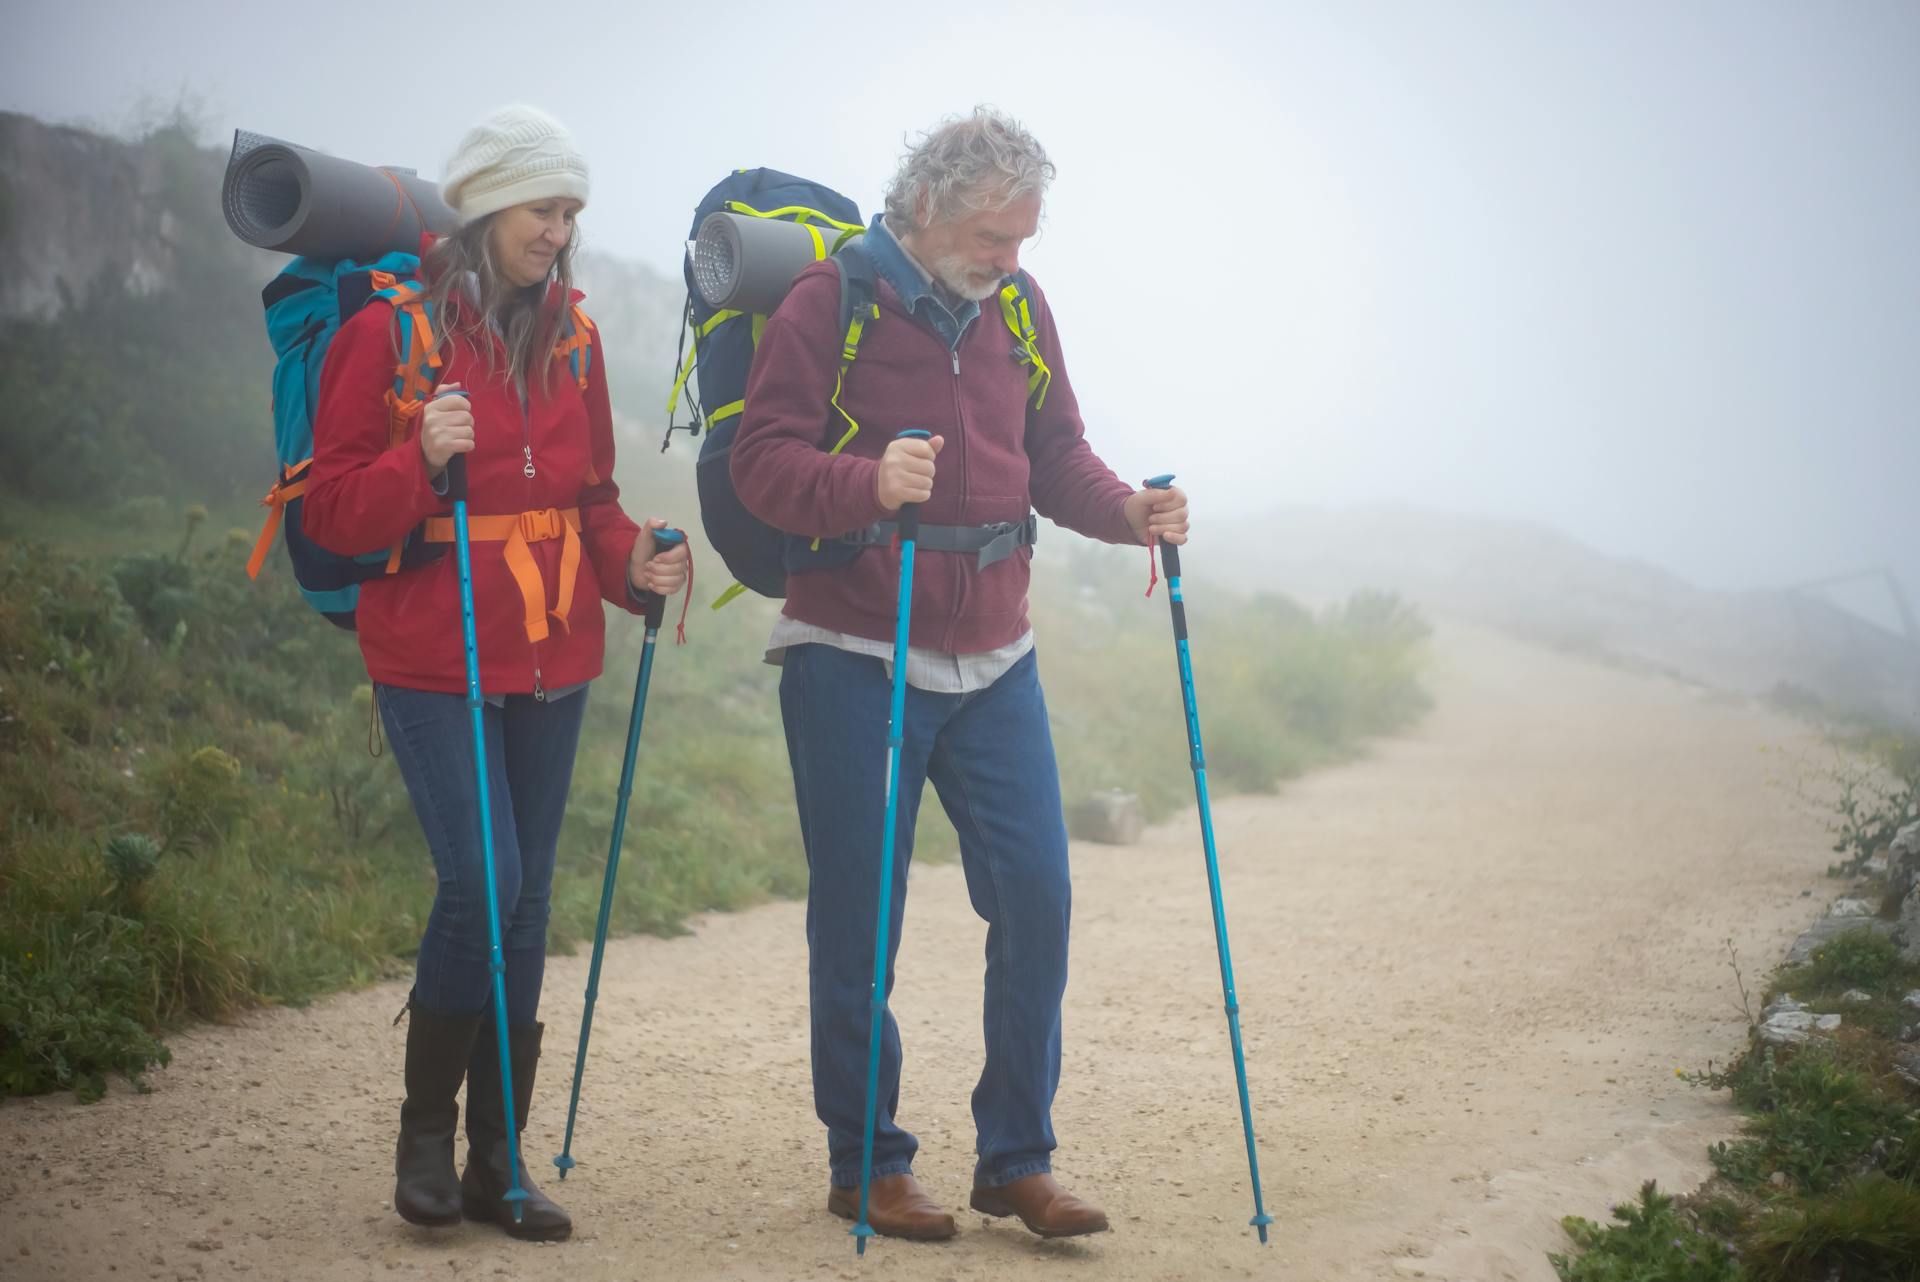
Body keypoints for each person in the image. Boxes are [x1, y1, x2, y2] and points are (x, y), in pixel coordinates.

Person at [731, 106, 1189, 1241]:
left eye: (1023, 238)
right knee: (861, 918)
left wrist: (1127, 512)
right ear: (929, 207)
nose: (1010, 259)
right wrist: (867, 483)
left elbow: (1055, 454)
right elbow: (761, 464)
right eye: (994, 236)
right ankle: (867, 1163)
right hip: (853, 651)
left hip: (995, 656)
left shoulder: (1018, 310)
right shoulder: (829, 302)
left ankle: (1016, 1159)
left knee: (1037, 895)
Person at [303, 104, 690, 1243]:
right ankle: (426, 1139)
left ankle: (498, 1161)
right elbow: (330, 514)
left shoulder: (576, 338)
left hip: (553, 655)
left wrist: (636, 562)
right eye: (542, 210)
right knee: (482, 883)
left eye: (571, 213)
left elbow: (591, 500)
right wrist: (421, 461)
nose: (559, 233)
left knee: (524, 906)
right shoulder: (388, 333)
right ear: (484, 207)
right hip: (433, 657)